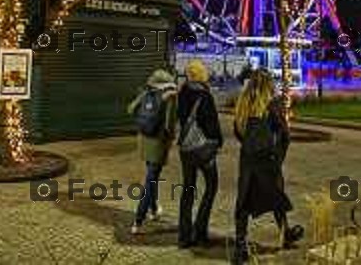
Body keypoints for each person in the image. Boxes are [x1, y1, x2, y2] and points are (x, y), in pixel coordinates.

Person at [232, 69, 304, 263]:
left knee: (244, 200)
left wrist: (249, 146)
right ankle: (285, 233)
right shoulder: (272, 105)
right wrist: (278, 157)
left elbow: (238, 131)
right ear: (268, 85)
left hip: (248, 159)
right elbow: (285, 135)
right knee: (276, 195)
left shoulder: (242, 104)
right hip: (268, 159)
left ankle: (240, 245)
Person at [177, 59, 223, 248]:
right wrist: (218, 141)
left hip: (186, 148)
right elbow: (211, 125)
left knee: (188, 189)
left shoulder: (182, 94)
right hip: (203, 149)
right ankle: (200, 231)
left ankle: (184, 236)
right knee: (211, 186)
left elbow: (180, 119)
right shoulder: (205, 96)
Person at [127, 68, 177, 234]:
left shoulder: (147, 93)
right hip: (158, 144)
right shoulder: (170, 96)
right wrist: (171, 139)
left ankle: (154, 209)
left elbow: (130, 109)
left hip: (144, 140)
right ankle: (138, 220)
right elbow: (170, 124)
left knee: (152, 176)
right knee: (150, 180)